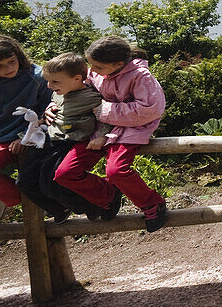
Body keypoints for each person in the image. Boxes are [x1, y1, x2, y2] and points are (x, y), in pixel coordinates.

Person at [53, 36, 169, 232]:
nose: (92, 71)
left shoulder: (141, 76)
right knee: (65, 173)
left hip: (131, 129)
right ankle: (108, 195)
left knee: (116, 171)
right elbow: (73, 89)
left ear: (118, 64)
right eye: (91, 65)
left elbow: (150, 109)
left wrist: (103, 111)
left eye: (97, 67)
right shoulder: (98, 71)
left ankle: (152, 203)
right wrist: (53, 106)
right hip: (97, 129)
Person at [17, 53, 107, 222]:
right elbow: (55, 108)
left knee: (49, 181)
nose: (49, 86)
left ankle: (87, 206)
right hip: (49, 139)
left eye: (55, 82)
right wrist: (46, 112)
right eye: (48, 81)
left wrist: (102, 136)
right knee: (24, 181)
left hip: (67, 141)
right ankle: (58, 208)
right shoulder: (59, 92)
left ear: (77, 79)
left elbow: (108, 118)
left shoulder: (92, 98)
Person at [0, 35, 51, 220]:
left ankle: (29, 198)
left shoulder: (38, 77)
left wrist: (26, 137)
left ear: (18, 56)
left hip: (21, 139)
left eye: (11, 61)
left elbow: (48, 112)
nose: (8, 68)